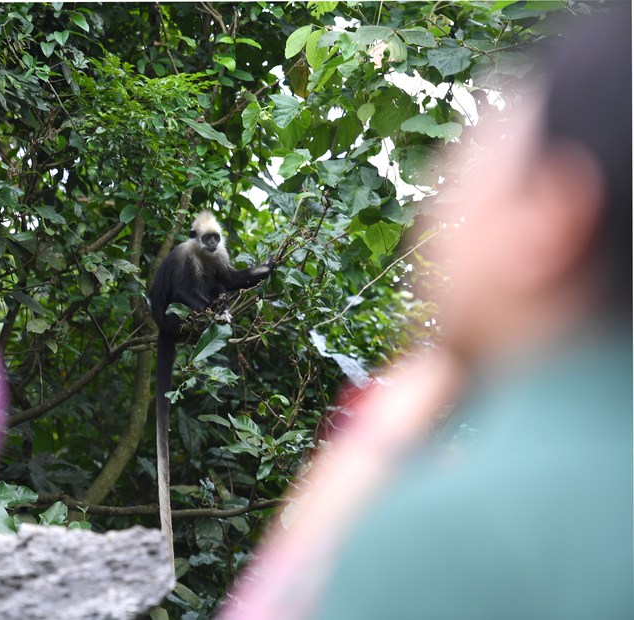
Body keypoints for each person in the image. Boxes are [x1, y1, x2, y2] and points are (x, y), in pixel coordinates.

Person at [220, 7, 632, 619]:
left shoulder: (452, 538)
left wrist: (355, 472)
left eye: (468, 161)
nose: (439, 206)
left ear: (550, 220)